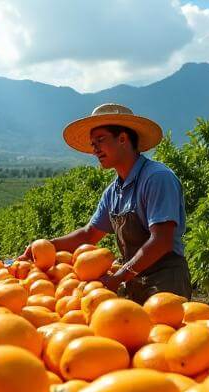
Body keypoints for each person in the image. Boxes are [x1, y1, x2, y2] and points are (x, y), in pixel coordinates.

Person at [20, 103, 191, 303]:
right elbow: (89, 234)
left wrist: (118, 277)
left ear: (123, 139)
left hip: (165, 280)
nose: (95, 150)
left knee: (163, 332)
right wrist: (46, 246)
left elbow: (161, 241)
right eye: (93, 144)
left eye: (100, 140)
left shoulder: (157, 178)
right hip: (134, 279)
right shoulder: (113, 192)